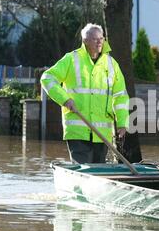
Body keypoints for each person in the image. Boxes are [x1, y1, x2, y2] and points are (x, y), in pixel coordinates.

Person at [40, 23, 129, 164]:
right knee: (84, 170)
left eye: (101, 38)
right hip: (78, 129)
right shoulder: (71, 59)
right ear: (85, 41)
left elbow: (120, 96)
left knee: (99, 171)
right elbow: (47, 78)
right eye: (95, 39)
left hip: (102, 132)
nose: (100, 41)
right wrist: (65, 99)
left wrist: (122, 122)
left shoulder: (111, 64)